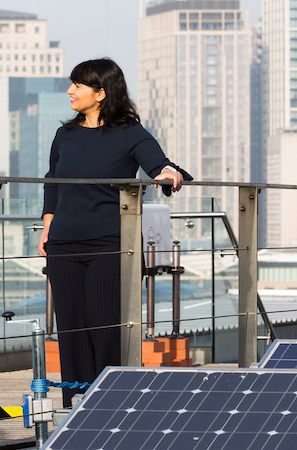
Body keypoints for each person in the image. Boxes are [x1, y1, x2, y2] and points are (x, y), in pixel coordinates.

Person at [39, 58, 189, 407]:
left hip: (112, 245)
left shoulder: (129, 132)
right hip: (64, 244)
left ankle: (108, 407)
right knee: (72, 331)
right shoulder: (65, 134)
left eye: (78, 85)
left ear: (101, 92)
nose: (70, 91)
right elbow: (51, 181)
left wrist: (167, 171)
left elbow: (157, 162)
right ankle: (74, 408)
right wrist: (48, 225)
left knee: (104, 329)